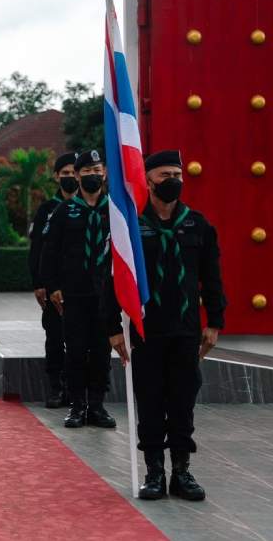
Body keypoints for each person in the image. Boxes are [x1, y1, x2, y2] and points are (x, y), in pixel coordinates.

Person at [106, 150, 226, 501]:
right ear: (148, 180)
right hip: (147, 331)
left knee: (182, 401)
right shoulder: (132, 225)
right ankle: (154, 472)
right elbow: (113, 279)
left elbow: (212, 279)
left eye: (177, 173)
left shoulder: (198, 225)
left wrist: (215, 322)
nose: (172, 180)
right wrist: (113, 327)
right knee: (152, 400)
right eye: (164, 174)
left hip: (187, 331)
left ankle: (182, 472)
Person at [40, 149, 116, 429]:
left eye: (97, 171)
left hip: (106, 294)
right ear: (78, 176)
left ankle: (97, 405)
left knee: (101, 351)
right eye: (86, 172)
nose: (93, 176)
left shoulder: (115, 210)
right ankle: (76, 406)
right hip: (73, 293)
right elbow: (50, 253)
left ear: (105, 173)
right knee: (74, 350)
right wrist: (53, 287)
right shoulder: (65, 210)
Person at [29, 152, 78, 408]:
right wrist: (39, 283)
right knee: (55, 338)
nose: (70, 177)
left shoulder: (90, 208)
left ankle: (78, 390)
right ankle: (57, 388)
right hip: (53, 286)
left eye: (74, 172)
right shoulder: (47, 209)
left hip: (82, 287)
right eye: (65, 173)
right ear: (57, 176)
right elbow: (37, 249)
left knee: (82, 342)